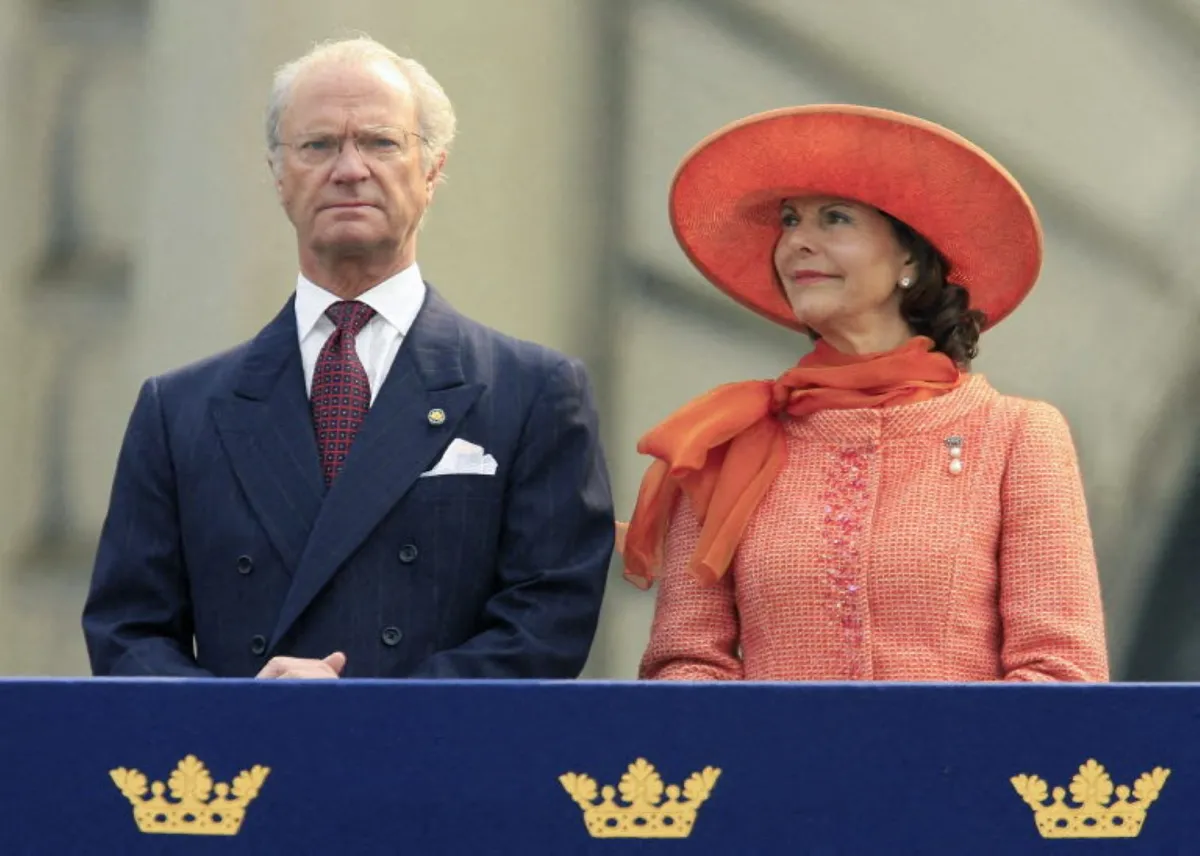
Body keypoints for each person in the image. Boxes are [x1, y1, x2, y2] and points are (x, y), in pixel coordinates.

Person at [82, 36, 614, 679]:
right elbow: (127, 633)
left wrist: (363, 713)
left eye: (381, 143)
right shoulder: (178, 412)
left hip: (436, 745)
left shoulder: (533, 394)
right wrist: (245, 715)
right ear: (278, 175)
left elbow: (546, 627)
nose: (350, 168)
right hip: (243, 745)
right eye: (319, 145)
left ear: (432, 170)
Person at [619, 105, 1109, 682]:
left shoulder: (1016, 436)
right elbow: (685, 662)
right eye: (790, 220)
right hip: (774, 747)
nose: (797, 242)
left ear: (910, 255)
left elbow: (1060, 670)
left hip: (964, 747)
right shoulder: (727, 440)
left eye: (835, 218)